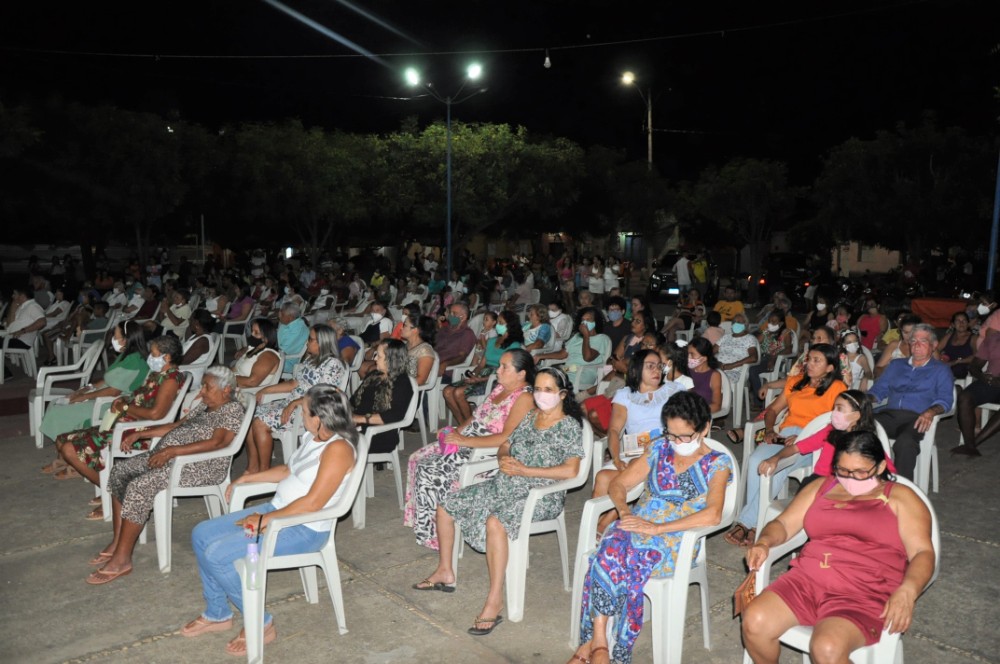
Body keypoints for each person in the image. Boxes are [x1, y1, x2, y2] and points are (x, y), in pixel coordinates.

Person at [183, 384, 357, 656]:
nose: (300, 415)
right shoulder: (314, 438)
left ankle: (261, 623)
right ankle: (218, 613)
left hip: (304, 528)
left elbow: (313, 503)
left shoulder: (338, 450)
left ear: (318, 418)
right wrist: (246, 477)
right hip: (279, 510)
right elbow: (288, 470)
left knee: (218, 554)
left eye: (303, 411)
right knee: (201, 533)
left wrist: (265, 519)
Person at [413, 368, 585, 637]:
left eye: (548, 390)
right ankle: (445, 571)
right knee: (448, 503)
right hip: (507, 483)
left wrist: (527, 472)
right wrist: (504, 457)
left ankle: (495, 600)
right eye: (537, 389)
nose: (541, 395)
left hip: (541, 494)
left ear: (562, 394)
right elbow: (506, 442)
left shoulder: (568, 426)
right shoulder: (530, 417)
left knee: (496, 522)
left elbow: (571, 470)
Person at [741, 431, 935, 664]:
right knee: (755, 621)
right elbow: (783, 523)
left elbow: (923, 552)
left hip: (864, 590)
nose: (851, 477)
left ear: (881, 465)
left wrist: (909, 589)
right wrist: (764, 542)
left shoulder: (900, 497)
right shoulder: (822, 487)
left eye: (861, 472)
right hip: (808, 580)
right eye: (843, 470)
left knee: (827, 648)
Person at [571, 391, 732, 664]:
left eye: (685, 436)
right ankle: (598, 641)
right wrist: (623, 512)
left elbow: (713, 515)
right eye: (671, 434)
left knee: (616, 555)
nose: (677, 442)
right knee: (611, 545)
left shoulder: (717, 463)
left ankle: (594, 646)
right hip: (638, 524)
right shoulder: (659, 448)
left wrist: (659, 528)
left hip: (677, 537)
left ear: (705, 428)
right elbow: (618, 484)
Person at [87, 366, 247, 584]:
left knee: (139, 486)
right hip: (169, 458)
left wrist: (173, 451)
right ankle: (118, 541)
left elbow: (218, 443)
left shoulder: (231, 410)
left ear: (226, 389)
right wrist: (141, 433)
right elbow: (178, 426)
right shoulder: (206, 405)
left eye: (207, 387)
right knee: (120, 471)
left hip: (199, 466)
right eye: (203, 385)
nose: (202, 391)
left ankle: (122, 558)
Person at [404, 349, 536, 550]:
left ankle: (441, 534)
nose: (498, 371)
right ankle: (425, 524)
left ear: (521, 373)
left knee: (431, 470)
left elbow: (504, 438)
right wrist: (456, 431)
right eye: (499, 365)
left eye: (504, 367)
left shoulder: (524, 398)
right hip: (471, 439)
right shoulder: (500, 388)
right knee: (418, 457)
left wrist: (463, 440)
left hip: (488, 450)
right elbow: (476, 417)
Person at [725, 344, 848, 545]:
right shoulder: (795, 382)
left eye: (817, 360)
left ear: (830, 367)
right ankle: (757, 520)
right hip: (785, 433)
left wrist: (805, 437)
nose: (809, 363)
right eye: (809, 359)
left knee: (778, 467)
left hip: (814, 439)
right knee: (757, 460)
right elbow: (773, 410)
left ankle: (748, 523)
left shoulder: (838, 389)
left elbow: (835, 423)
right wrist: (771, 429)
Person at [55, 335, 185, 515]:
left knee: (70, 449)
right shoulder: (158, 374)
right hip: (124, 425)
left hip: (139, 432)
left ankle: (113, 495)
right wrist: (125, 401)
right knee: (62, 441)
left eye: (154, 354)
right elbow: (141, 399)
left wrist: (125, 407)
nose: (150, 358)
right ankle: (112, 490)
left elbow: (157, 414)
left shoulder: (170, 379)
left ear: (167, 357)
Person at [591, 349, 687, 535]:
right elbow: (614, 430)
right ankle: (597, 523)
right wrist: (616, 458)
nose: (656, 371)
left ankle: (602, 526)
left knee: (632, 468)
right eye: (650, 366)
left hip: (665, 451)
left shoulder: (674, 391)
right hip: (632, 451)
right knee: (602, 477)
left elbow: (686, 424)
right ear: (636, 370)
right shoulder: (625, 395)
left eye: (659, 366)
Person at [40, 320, 150, 474]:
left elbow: (114, 391)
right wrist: (85, 389)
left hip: (112, 403)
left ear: (125, 339)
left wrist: (85, 397)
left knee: (62, 411)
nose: (113, 338)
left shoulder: (134, 361)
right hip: (105, 395)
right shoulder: (125, 355)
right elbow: (107, 378)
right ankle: (63, 457)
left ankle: (74, 462)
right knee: (56, 404)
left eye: (116, 335)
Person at [247, 325, 345, 475]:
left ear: (322, 342)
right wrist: (265, 389)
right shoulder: (311, 360)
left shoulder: (333, 365)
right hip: (292, 403)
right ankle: (253, 467)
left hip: (310, 410)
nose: (307, 342)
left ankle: (263, 471)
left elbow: (324, 394)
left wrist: (295, 403)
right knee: (250, 414)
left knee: (260, 422)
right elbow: (294, 383)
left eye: (311, 339)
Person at [868, 324, 954, 480]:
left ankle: (902, 490)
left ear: (934, 345)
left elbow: (946, 399)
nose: (917, 345)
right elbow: (878, 390)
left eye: (923, 341)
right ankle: (863, 481)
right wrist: (862, 400)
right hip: (889, 415)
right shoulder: (896, 365)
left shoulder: (940, 370)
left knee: (905, 442)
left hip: (916, 418)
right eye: (913, 340)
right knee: (860, 428)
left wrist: (931, 411)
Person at [442, 310, 523, 424]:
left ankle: (470, 425)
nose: (497, 325)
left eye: (500, 322)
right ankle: (463, 425)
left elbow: (508, 371)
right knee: (447, 391)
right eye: (497, 322)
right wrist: (474, 374)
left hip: (497, 378)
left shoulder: (514, 345)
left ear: (510, 325)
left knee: (458, 393)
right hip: (483, 373)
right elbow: (481, 364)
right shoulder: (491, 341)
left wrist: (481, 379)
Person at [349, 339, 415, 454]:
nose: (374, 359)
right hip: (358, 427)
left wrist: (359, 419)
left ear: (391, 360)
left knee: (332, 443)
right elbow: (353, 401)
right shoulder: (373, 375)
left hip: (379, 434)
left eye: (378, 356)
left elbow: (394, 416)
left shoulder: (402, 383)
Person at [533, 307, 611, 392]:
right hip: (568, 369)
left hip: (583, 372)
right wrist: (540, 356)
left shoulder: (602, 338)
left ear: (596, 322)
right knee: (542, 379)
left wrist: (586, 336)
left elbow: (587, 357)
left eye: (588, 320)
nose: (585, 323)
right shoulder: (577, 337)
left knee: (552, 384)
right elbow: (563, 354)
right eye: (583, 320)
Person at [953, 324, 1000, 456]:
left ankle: (974, 444)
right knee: (964, 397)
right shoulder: (993, 339)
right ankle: (969, 444)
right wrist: (984, 377)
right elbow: (974, 367)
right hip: (991, 382)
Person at [748, 311, 793, 407]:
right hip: (764, 358)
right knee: (748, 367)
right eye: (769, 321)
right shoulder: (766, 331)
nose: (770, 324)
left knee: (753, 370)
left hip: (777, 360)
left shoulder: (785, 333)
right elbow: (756, 343)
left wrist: (774, 357)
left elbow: (789, 348)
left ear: (780, 323)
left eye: (774, 322)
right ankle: (757, 395)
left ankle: (759, 402)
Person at [3, 287, 46, 376]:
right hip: (12, 338)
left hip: (22, 341)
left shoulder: (33, 306)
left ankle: (5, 373)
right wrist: (13, 308)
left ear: (22, 296)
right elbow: (9, 326)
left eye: (15, 294)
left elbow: (42, 322)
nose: (12, 296)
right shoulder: (22, 307)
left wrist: (23, 331)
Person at [232, 318, 281, 389]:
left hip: (244, 391)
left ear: (266, 338)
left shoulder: (269, 355)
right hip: (233, 382)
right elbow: (235, 369)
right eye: (252, 331)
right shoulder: (254, 349)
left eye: (256, 333)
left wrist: (227, 378)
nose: (252, 334)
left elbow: (252, 382)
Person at [715, 312, 759, 388]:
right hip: (718, 368)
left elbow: (753, 357)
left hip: (735, 371)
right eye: (734, 322)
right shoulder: (725, 337)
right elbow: (709, 352)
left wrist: (732, 365)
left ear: (745, 325)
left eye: (739, 322)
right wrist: (716, 363)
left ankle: (723, 399)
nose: (736, 324)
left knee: (717, 380)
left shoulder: (749, 338)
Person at [434, 303, 477, 379]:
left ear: (463, 317)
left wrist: (445, 364)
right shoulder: (445, 329)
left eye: (454, 313)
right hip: (432, 363)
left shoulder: (467, 334)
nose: (450, 316)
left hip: (445, 371)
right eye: (450, 313)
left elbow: (462, 357)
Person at [687, 337, 723, 413]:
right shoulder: (686, 371)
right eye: (688, 353)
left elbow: (716, 405)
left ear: (703, 358)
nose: (688, 357)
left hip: (700, 414)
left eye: (692, 354)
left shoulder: (714, 375)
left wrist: (695, 413)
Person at [937, 311, 976, 380]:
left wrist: (956, 361)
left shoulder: (973, 338)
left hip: (963, 371)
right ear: (953, 324)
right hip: (945, 369)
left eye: (964, 321)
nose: (961, 323)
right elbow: (936, 350)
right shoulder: (949, 336)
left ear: (968, 323)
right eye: (958, 321)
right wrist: (940, 358)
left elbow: (977, 357)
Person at [403, 312, 437, 386]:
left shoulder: (425, 350)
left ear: (415, 330)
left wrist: (397, 384)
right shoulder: (406, 345)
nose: (401, 328)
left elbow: (420, 380)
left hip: (411, 391)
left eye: (404, 325)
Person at [276, 302, 309, 374]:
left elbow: (282, 350)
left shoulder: (297, 329)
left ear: (290, 317)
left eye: (282, 314)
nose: (279, 315)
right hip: (280, 355)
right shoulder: (288, 323)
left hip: (288, 361)